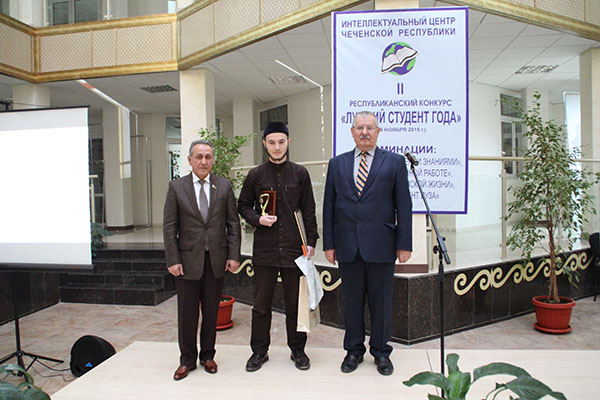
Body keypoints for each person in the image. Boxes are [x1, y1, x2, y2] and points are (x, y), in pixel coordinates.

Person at [322, 111, 412, 376]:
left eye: (369, 128)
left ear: (378, 131)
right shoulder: (337, 164)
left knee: (381, 303)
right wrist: (329, 244)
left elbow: (403, 206)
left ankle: (381, 352)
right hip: (347, 246)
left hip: (381, 245)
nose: (364, 132)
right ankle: (354, 350)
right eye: (359, 128)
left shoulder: (394, 162)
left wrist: (404, 243)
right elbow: (329, 207)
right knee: (351, 303)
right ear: (352, 132)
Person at [238, 121, 318, 372]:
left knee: (295, 304)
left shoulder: (300, 174)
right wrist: (257, 219)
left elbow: (309, 209)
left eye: (281, 142)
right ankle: (259, 351)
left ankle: (298, 350)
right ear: (265, 144)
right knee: (261, 305)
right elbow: (243, 205)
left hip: (295, 249)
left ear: (288, 143)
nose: (276, 147)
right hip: (265, 249)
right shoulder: (255, 175)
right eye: (271, 142)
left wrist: (312, 242)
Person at [163, 139, 241, 381]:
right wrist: (173, 259)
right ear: (189, 160)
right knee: (187, 314)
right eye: (199, 157)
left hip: (216, 260)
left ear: (213, 160)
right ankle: (187, 360)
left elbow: (233, 224)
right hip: (186, 262)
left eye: (208, 157)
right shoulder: (177, 187)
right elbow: (169, 227)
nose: (203, 161)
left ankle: (208, 355)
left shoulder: (224, 186)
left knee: (211, 311)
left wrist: (234, 255)